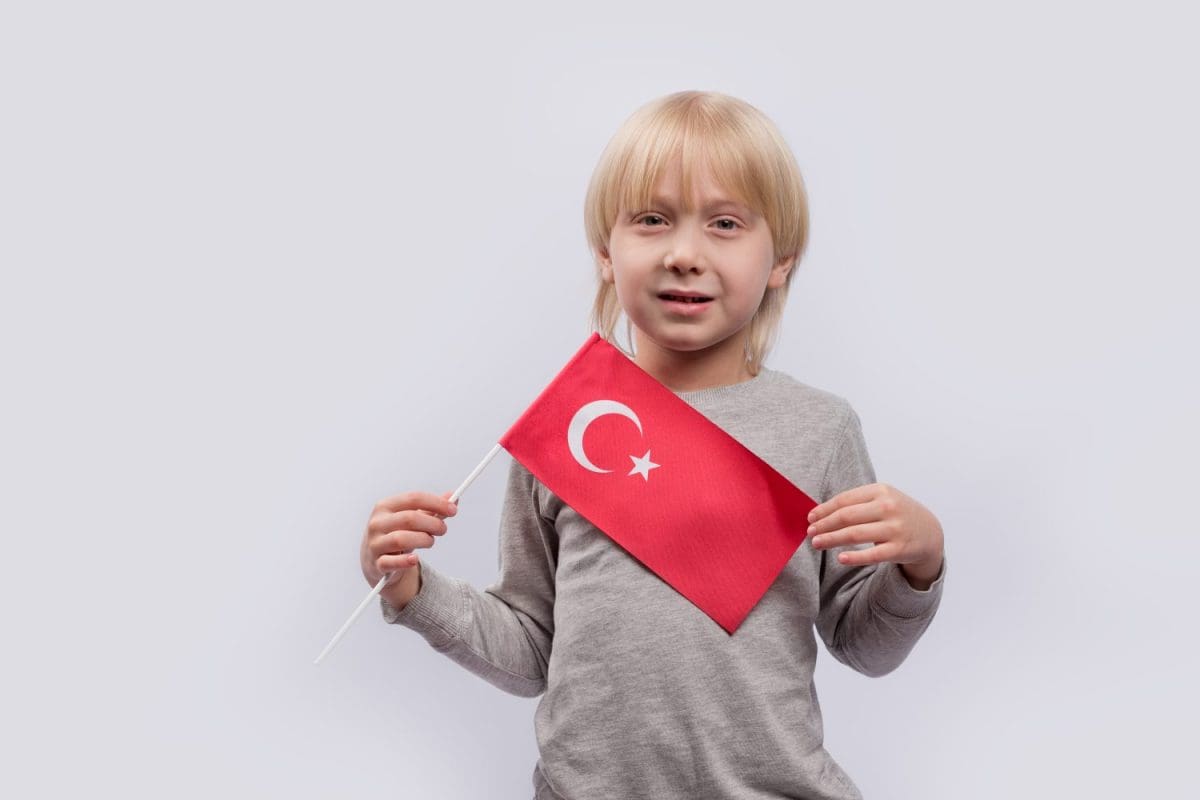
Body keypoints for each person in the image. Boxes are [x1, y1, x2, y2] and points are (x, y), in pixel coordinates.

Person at [359, 90, 946, 799]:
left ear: (782, 260)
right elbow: (531, 649)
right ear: (608, 252)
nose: (684, 254)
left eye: (725, 223)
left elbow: (864, 644)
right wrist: (413, 589)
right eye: (652, 220)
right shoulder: (565, 430)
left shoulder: (820, 430)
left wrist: (921, 560)